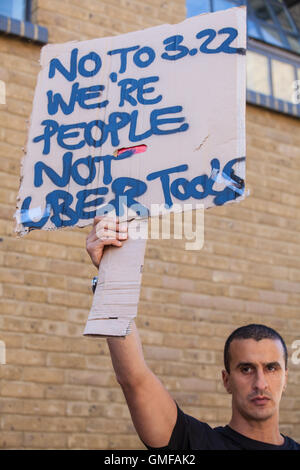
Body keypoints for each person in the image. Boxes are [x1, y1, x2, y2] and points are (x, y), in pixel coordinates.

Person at [86, 215, 300, 451]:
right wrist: (113, 274)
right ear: (226, 380)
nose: (260, 383)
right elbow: (134, 379)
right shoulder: (197, 443)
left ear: (286, 379)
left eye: (271, 368)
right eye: (246, 369)